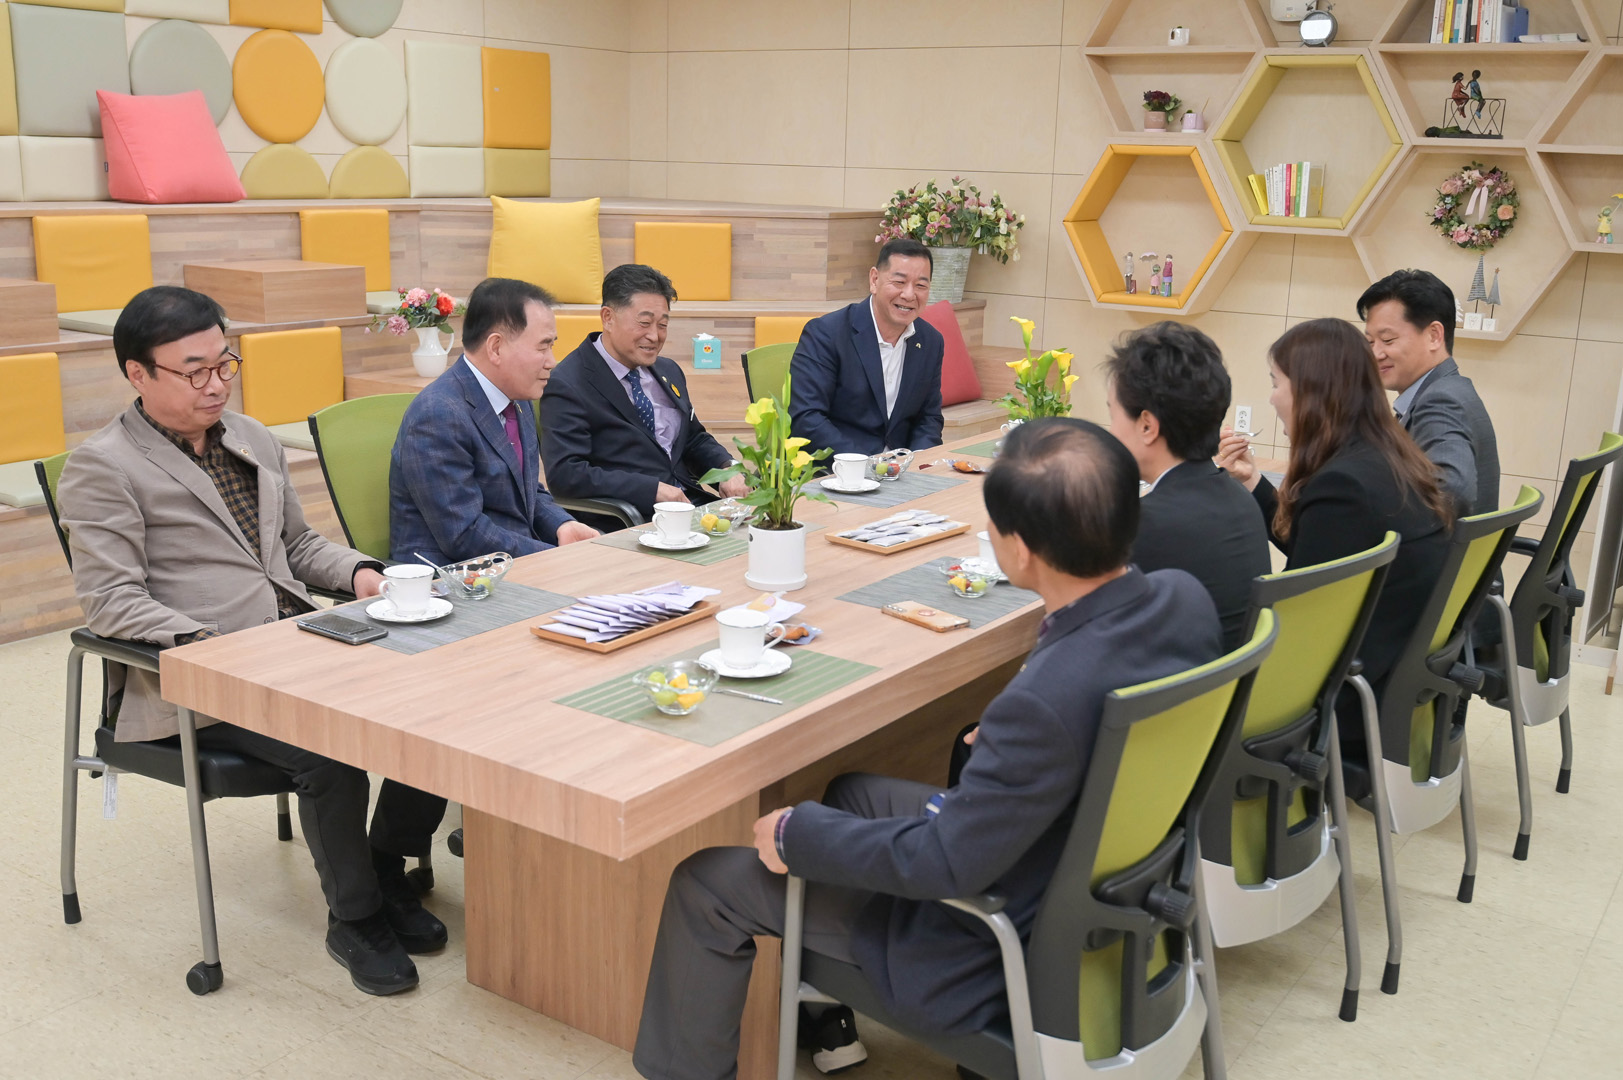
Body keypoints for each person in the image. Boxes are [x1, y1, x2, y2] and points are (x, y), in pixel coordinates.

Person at [633, 418, 1222, 1080]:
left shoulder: (1045, 704)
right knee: (853, 792)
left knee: (706, 882)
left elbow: (945, 863)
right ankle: (824, 1015)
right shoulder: (1183, 599)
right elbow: (1085, 701)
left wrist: (797, 836)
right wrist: (1023, 746)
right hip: (1097, 881)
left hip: (993, 941)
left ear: (1020, 549)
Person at [58, 286, 449, 997]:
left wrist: (366, 575)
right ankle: (356, 918)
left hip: (296, 644)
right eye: (194, 371)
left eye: (224, 364)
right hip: (195, 675)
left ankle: (385, 865)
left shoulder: (252, 438)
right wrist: (216, 646)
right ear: (138, 374)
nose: (217, 384)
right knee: (329, 748)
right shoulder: (104, 466)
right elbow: (111, 602)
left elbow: (296, 546)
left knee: (434, 699)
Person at [1215, 318, 1453, 794]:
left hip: (1342, 697)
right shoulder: (1384, 459)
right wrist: (1254, 483)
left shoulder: (1343, 485)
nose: (1272, 398)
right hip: (1388, 676)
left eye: (1276, 383)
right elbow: (1319, 548)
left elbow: (1297, 617)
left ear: (1311, 392)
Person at [390, 277, 599, 565]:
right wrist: (555, 558)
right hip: (452, 579)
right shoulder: (438, 415)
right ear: (496, 348)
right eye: (542, 347)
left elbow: (525, 491)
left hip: (512, 565)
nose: (552, 361)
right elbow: (464, 535)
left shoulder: (518, 397)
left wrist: (562, 525)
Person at [1105, 321, 1271, 651]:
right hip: (1226, 680)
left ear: (1147, 425)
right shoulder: (1240, 498)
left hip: (1168, 682)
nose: (1110, 431)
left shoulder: (1142, 524)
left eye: (1113, 415)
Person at [539, 263, 749, 523]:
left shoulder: (668, 370)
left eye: (662, 325)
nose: (655, 336)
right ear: (608, 317)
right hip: (631, 520)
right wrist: (652, 490)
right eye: (644, 323)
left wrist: (727, 469)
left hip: (692, 509)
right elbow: (567, 474)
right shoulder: (568, 383)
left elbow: (693, 440)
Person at [1358, 269, 1499, 515]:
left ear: (1434, 336)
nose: (1376, 353)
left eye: (1388, 340)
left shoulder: (1441, 401)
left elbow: (1453, 491)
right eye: (1370, 342)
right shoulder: (1453, 388)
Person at [789, 238, 945, 457]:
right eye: (899, 282)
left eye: (920, 286)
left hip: (900, 468)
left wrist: (918, 463)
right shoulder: (826, 333)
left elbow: (929, 419)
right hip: (838, 467)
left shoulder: (930, 341)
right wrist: (866, 467)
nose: (909, 295)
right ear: (874, 280)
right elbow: (807, 419)